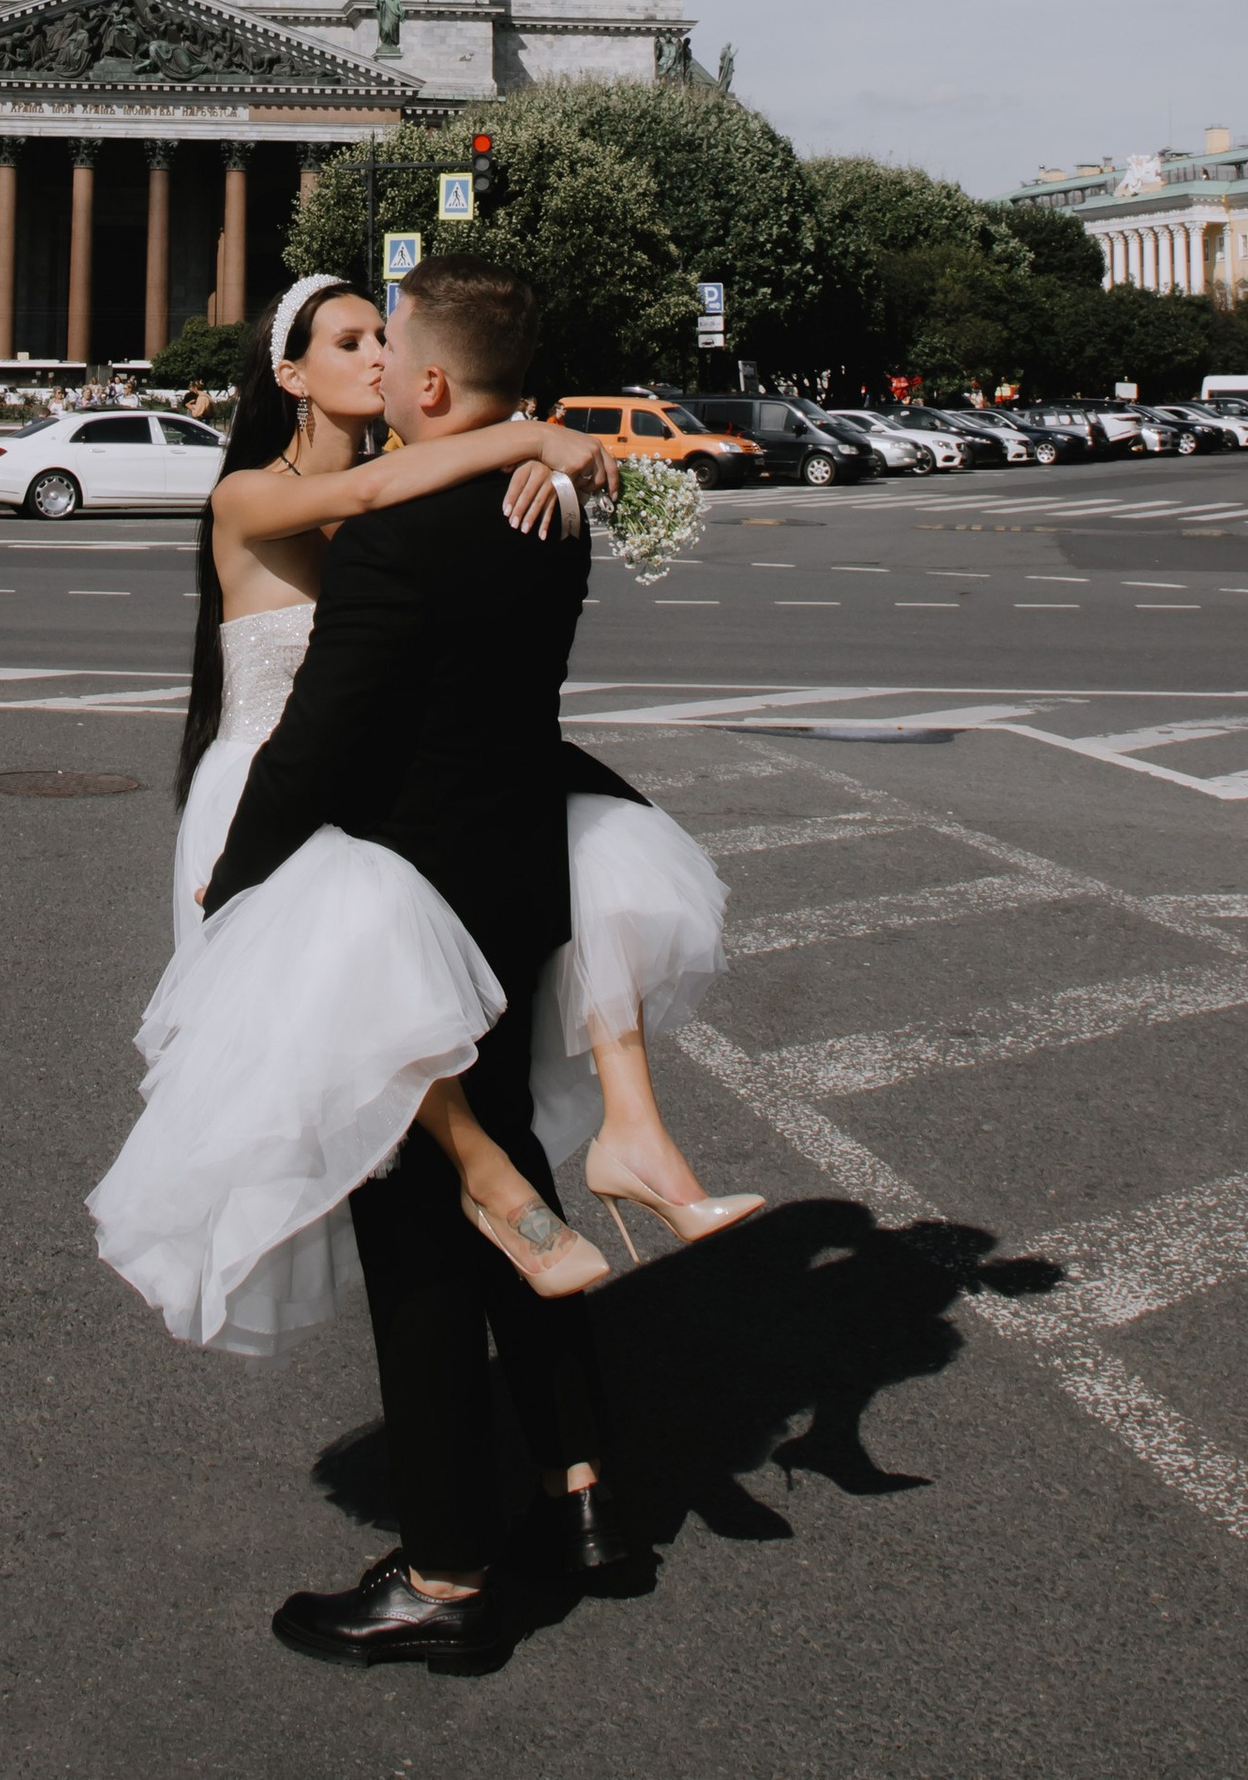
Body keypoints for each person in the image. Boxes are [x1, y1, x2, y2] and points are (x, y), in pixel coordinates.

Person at [94, 269, 750, 1666]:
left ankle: (448, 1573)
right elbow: (417, 578)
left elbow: (324, 739)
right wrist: (543, 439)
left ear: (427, 385)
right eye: (350, 341)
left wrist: (238, 896)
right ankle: (587, 1497)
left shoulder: (417, 519)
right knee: (507, 1181)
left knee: (422, 1231)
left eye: (388, 340)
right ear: (294, 375)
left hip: (371, 874)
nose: (377, 357)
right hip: (506, 874)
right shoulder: (514, 502)